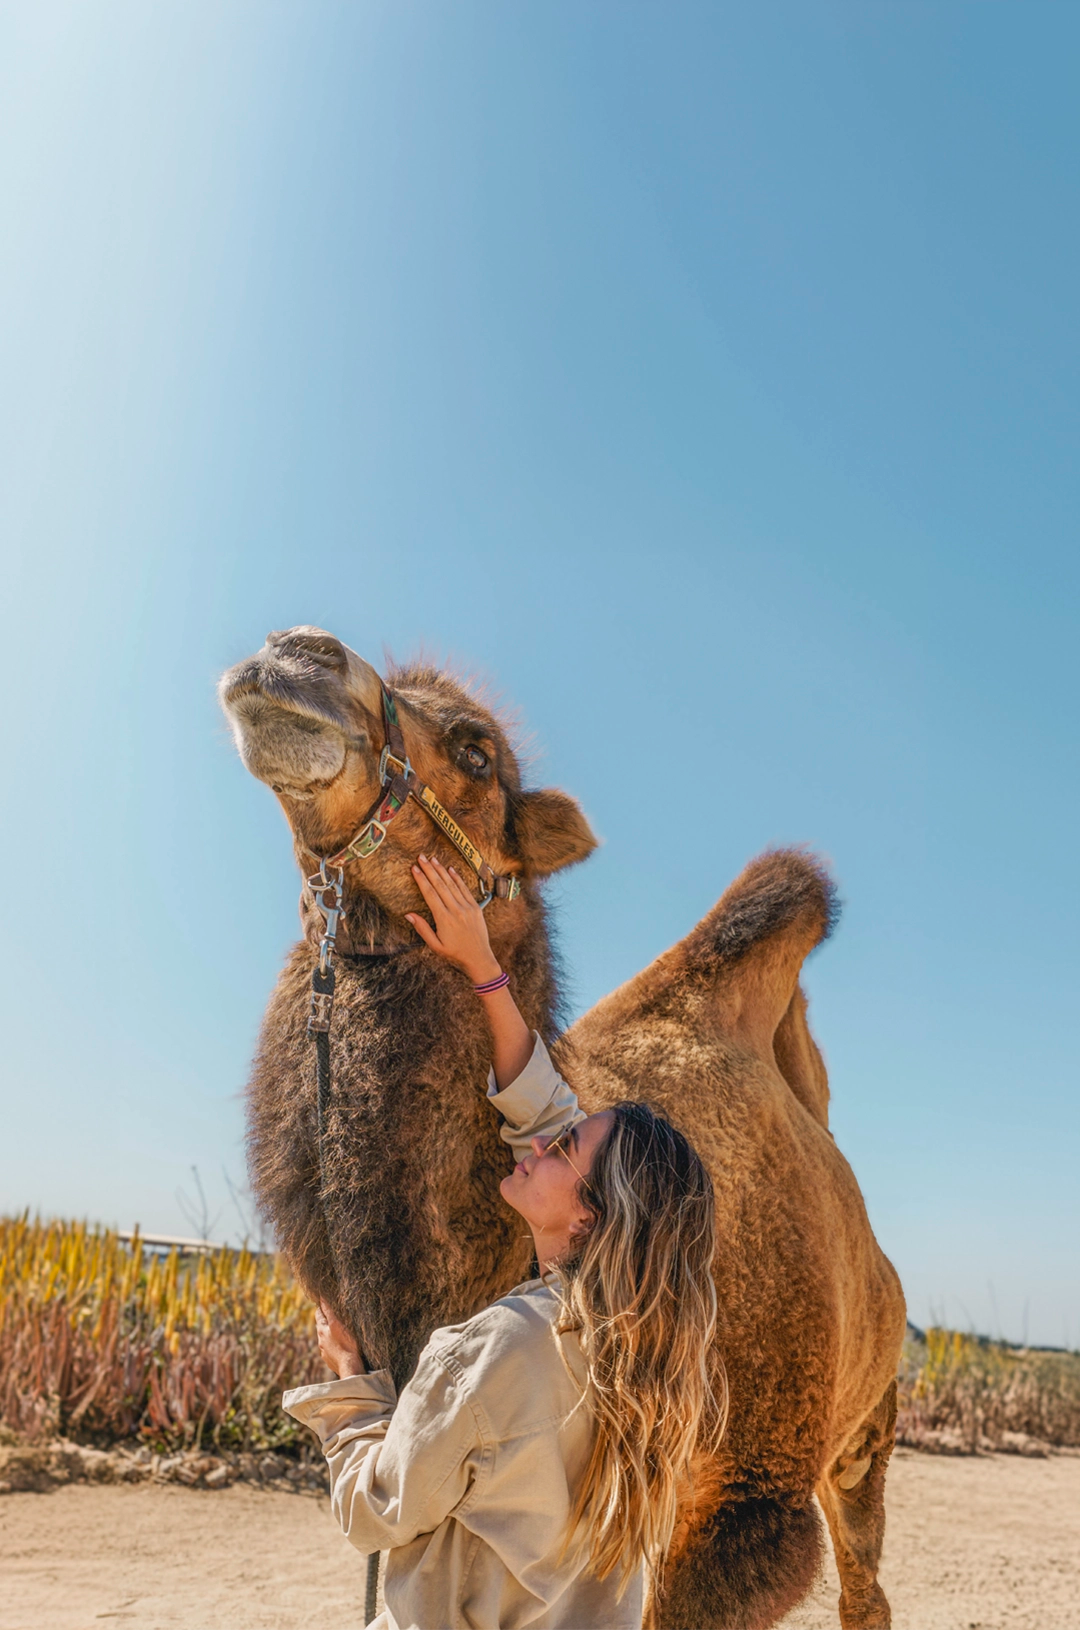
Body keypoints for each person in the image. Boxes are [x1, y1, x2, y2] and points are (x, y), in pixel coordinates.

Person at [284, 854, 725, 1630]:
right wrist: (485, 969)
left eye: (560, 1154)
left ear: (589, 1221)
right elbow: (546, 1109)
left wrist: (352, 1391)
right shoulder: (651, 1364)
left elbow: (377, 1512)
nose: (534, 1147)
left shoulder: (498, 1351)